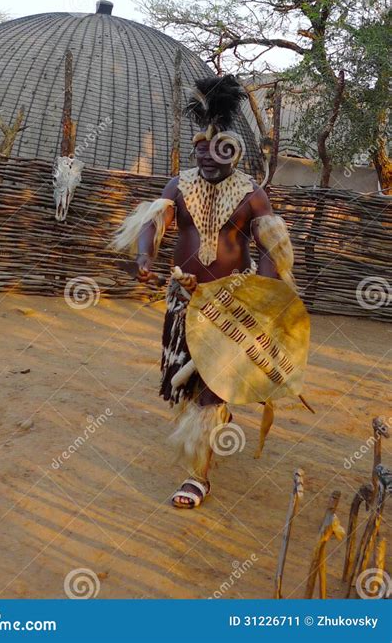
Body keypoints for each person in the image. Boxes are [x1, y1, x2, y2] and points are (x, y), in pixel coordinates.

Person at [113, 75, 298, 508]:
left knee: (212, 386)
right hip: (184, 299)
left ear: (233, 152)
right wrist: (145, 255)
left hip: (232, 304)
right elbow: (153, 225)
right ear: (195, 152)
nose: (209, 163)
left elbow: (272, 247)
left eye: (218, 155)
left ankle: (197, 476)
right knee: (190, 382)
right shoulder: (178, 186)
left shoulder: (252, 195)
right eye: (201, 154)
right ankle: (209, 425)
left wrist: (261, 288)